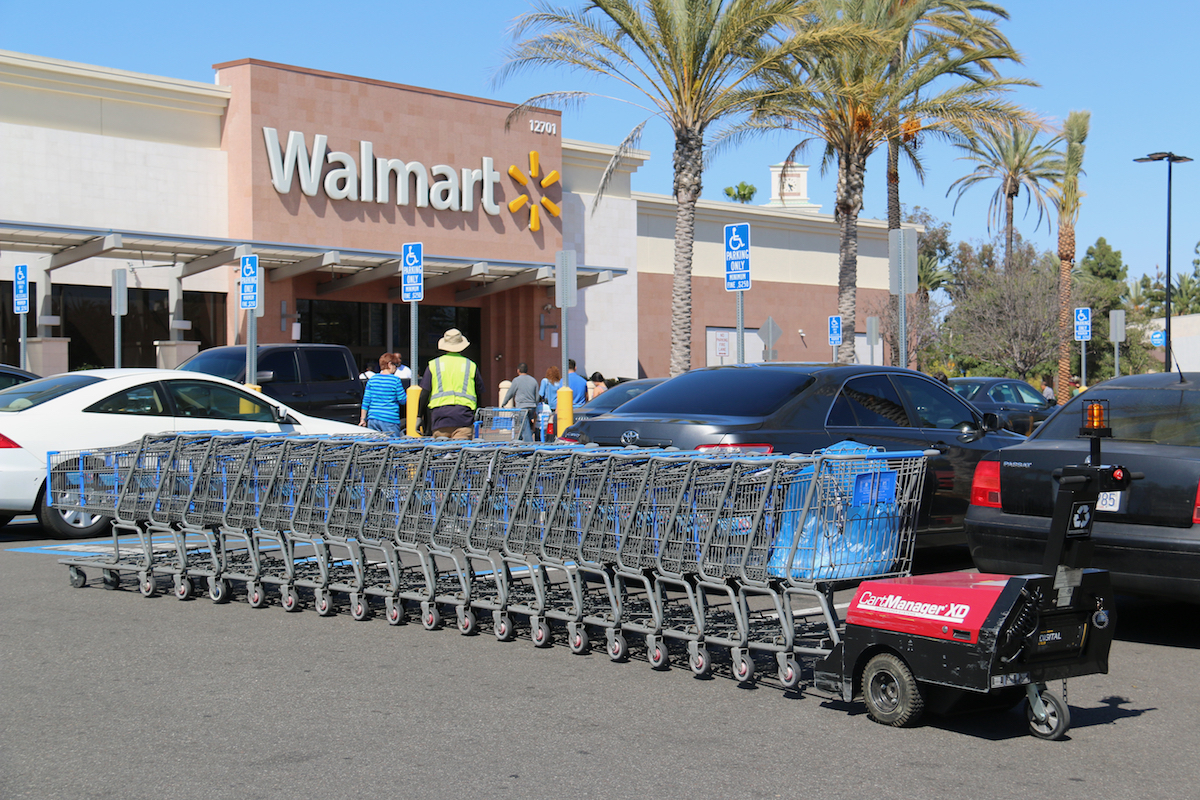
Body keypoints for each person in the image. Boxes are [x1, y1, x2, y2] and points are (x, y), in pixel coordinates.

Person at [419, 328, 483, 440]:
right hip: (464, 417)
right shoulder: (470, 365)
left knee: (441, 452)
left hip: (440, 418)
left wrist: (419, 416)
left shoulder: (434, 364)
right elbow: (479, 392)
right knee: (460, 454)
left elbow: (425, 393)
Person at [359, 353, 406, 435]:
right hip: (389, 420)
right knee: (392, 446)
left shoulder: (372, 380)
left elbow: (366, 401)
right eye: (395, 365)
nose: (396, 369)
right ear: (390, 364)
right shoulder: (395, 380)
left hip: (373, 419)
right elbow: (402, 400)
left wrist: (363, 419)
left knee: (374, 446)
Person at [503, 362, 540, 440]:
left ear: (518, 370)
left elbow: (510, 393)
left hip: (522, 407)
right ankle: (520, 440)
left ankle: (529, 445)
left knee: (524, 427)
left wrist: (504, 403)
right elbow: (537, 396)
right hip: (532, 407)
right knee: (527, 427)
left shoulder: (516, 380)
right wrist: (535, 404)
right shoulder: (533, 380)